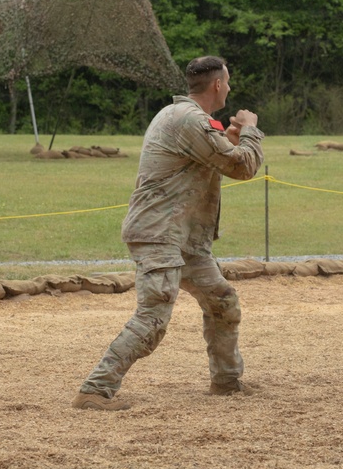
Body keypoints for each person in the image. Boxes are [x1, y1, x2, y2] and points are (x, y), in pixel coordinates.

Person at [72, 56, 265, 411]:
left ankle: (227, 381)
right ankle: (95, 391)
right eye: (229, 81)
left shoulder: (183, 116)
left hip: (184, 239)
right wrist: (251, 129)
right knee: (153, 317)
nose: (231, 88)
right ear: (218, 85)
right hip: (160, 234)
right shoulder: (188, 119)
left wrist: (227, 138)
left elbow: (209, 154)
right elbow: (243, 166)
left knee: (222, 302)